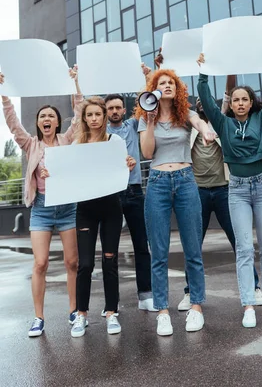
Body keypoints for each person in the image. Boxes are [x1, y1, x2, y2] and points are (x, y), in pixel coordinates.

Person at [197, 50, 262, 329]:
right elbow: (207, 96)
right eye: (235, 99)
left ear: (250, 102)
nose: (239, 103)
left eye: (244, 99)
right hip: (236, 190)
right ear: (232, 104)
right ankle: (248, 303)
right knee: (245, 249)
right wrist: (203, 71)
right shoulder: (222, 123)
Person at [44, 96, 136, 338]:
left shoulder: (114, 141)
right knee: (84, 264)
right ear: (84, 119)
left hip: (111, 208)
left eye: (98, 114)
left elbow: (121, 167)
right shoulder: (77, 144)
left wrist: (128, 164)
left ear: (104, 117)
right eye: (90, 115)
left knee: (110, 260)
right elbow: (64, 172)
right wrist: (48, 172)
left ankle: (111, 312)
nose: (94, 119)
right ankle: (81, 314)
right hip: (85, 209)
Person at [0, 68, 82, 337]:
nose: (47, 119)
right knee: (40, 263)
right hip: (42, 209)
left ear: (58, 123)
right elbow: (13, 124)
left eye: (51, 116)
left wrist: (75, 84)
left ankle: (74, 312)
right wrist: (4, 94)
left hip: (67, 208)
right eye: (42, 117)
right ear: (38, 123)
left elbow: (80, 115)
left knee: (72, 262)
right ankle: (38, 317)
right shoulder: (30, 144)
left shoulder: (67, 140)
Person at [136, 68, 215, 336]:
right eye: (162, 83)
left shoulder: (185, 114)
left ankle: (196, 307)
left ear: (177, 88)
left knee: (192, 249)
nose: (167, 86)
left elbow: (200, 123)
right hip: (158, 181)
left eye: (171, 83)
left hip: (185, 180)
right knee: (158, 252)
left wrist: (206, 131)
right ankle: (162, 312)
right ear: (154, 88)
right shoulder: (144, 116)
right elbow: (147, 153)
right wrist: (149, 120)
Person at [179, 88, 262, 311]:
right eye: (196, 102)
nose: (200, 104)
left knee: (240, 242)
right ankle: (190, 293)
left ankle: (255, 287)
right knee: (193, 244)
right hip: (197, 191)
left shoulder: (222, 123)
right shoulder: (191, 126)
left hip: (225, 190)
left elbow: (228, 93)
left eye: (203, 102)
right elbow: (178, 106)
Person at [104, 91, 157, 314]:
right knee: (110, 250)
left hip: (134, 191)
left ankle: (145, 295)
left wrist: (146, 78)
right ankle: (112, 302)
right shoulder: (99, 132)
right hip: (109, 193)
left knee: (141, 245)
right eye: (110, 108)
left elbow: (147, 102)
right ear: (106, 111)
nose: (115, 111)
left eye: (118, 107)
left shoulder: (134, 125)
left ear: (124, 109)